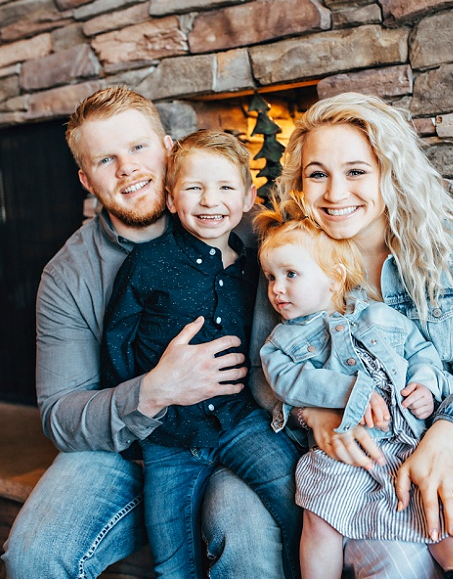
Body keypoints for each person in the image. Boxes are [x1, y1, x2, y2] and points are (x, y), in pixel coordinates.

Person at [248, 92, 453, 578]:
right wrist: (317, 415)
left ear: (390, 171)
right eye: (318, 173)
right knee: (396, 563)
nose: (335, 193)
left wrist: (442, 444)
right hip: (361, 456)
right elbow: (265, 373)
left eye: (357, 171)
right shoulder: (294, 259)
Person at [2, 87, 288, 579]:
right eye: (105, 159)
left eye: (137, 148)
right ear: (86, 179)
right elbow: (60, 414)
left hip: (238, 426)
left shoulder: (246, 230)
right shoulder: (69, 273)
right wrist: (154, 391)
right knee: (33, 556)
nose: (127, 169)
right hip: (120, 451)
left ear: (169, 148)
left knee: (248, 539)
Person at [254, 195, 453, 579]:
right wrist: (346, 393)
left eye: (291, 275)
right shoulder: (281, 342)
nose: (277, 289)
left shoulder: (379, 315)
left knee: (444, 498)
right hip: (347, 448)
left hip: (411, 436)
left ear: (335, 275)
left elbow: (422, 352)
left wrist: (424, 385)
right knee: (320, 514)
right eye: (271, 277)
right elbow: (283, 380)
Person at [100, 129, 302, 578]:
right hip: (168, 442)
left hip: (241, 422)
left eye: (226, 187)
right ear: (171, 199)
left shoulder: (259, 268)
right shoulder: (146, 263)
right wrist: (140, 417)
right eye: (194, 188)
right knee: (174, 562)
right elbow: (118, 341)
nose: (211, 201)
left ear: (249, 197)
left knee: (298, 503)